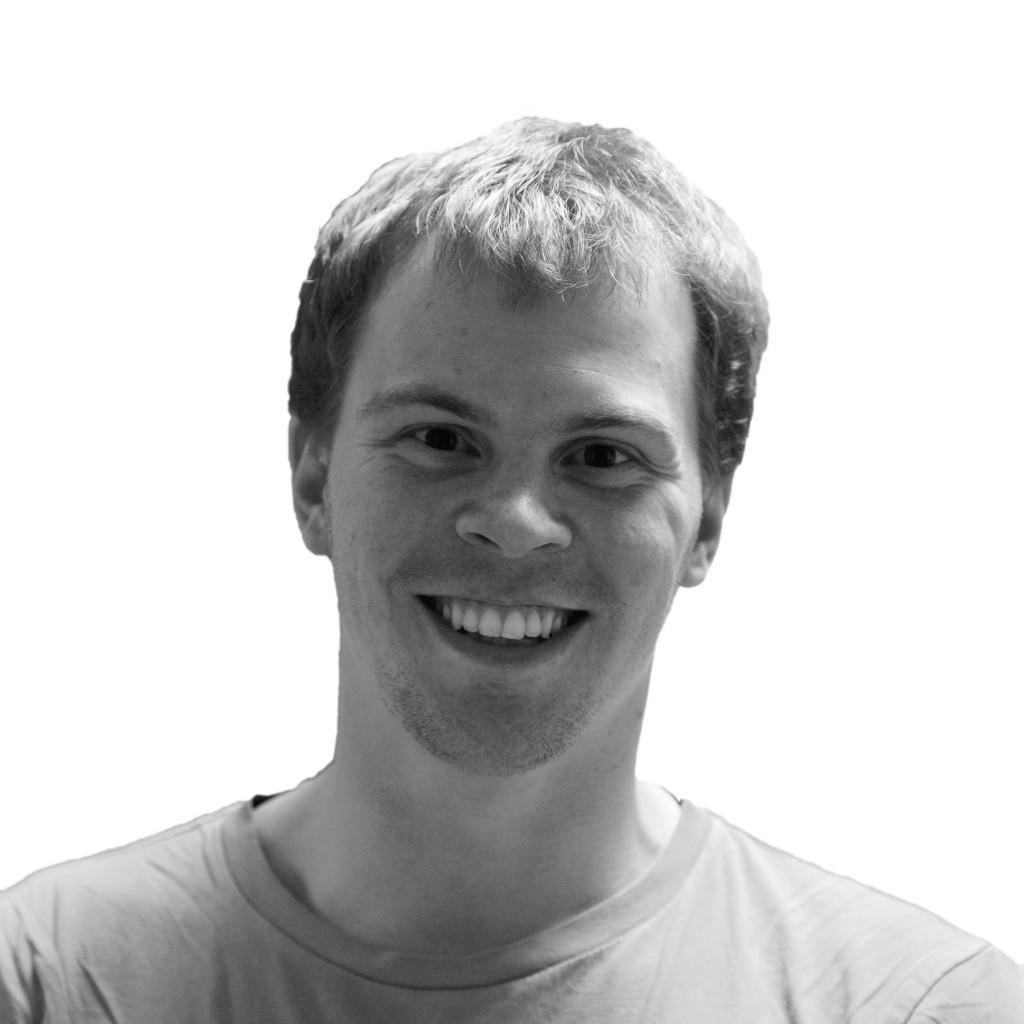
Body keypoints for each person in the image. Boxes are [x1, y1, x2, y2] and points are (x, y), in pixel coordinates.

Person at [1, 117, 1021, 1023]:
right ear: (312, 477)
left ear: (708, 516)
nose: (515, 524)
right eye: (440, 438)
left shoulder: (916, 1005)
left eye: (602, 456)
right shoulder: (47, 979)